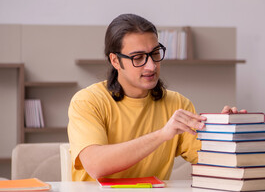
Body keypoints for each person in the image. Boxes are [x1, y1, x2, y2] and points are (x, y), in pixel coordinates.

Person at [67, 13, 245, 181]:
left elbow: (212, 162)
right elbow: (96, 165)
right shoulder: (88, 101)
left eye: (155, 53)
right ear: (115, 61)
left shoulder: (178, 104)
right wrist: (162, 135)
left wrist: (226, 132)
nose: (151, 66)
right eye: (138, 58)